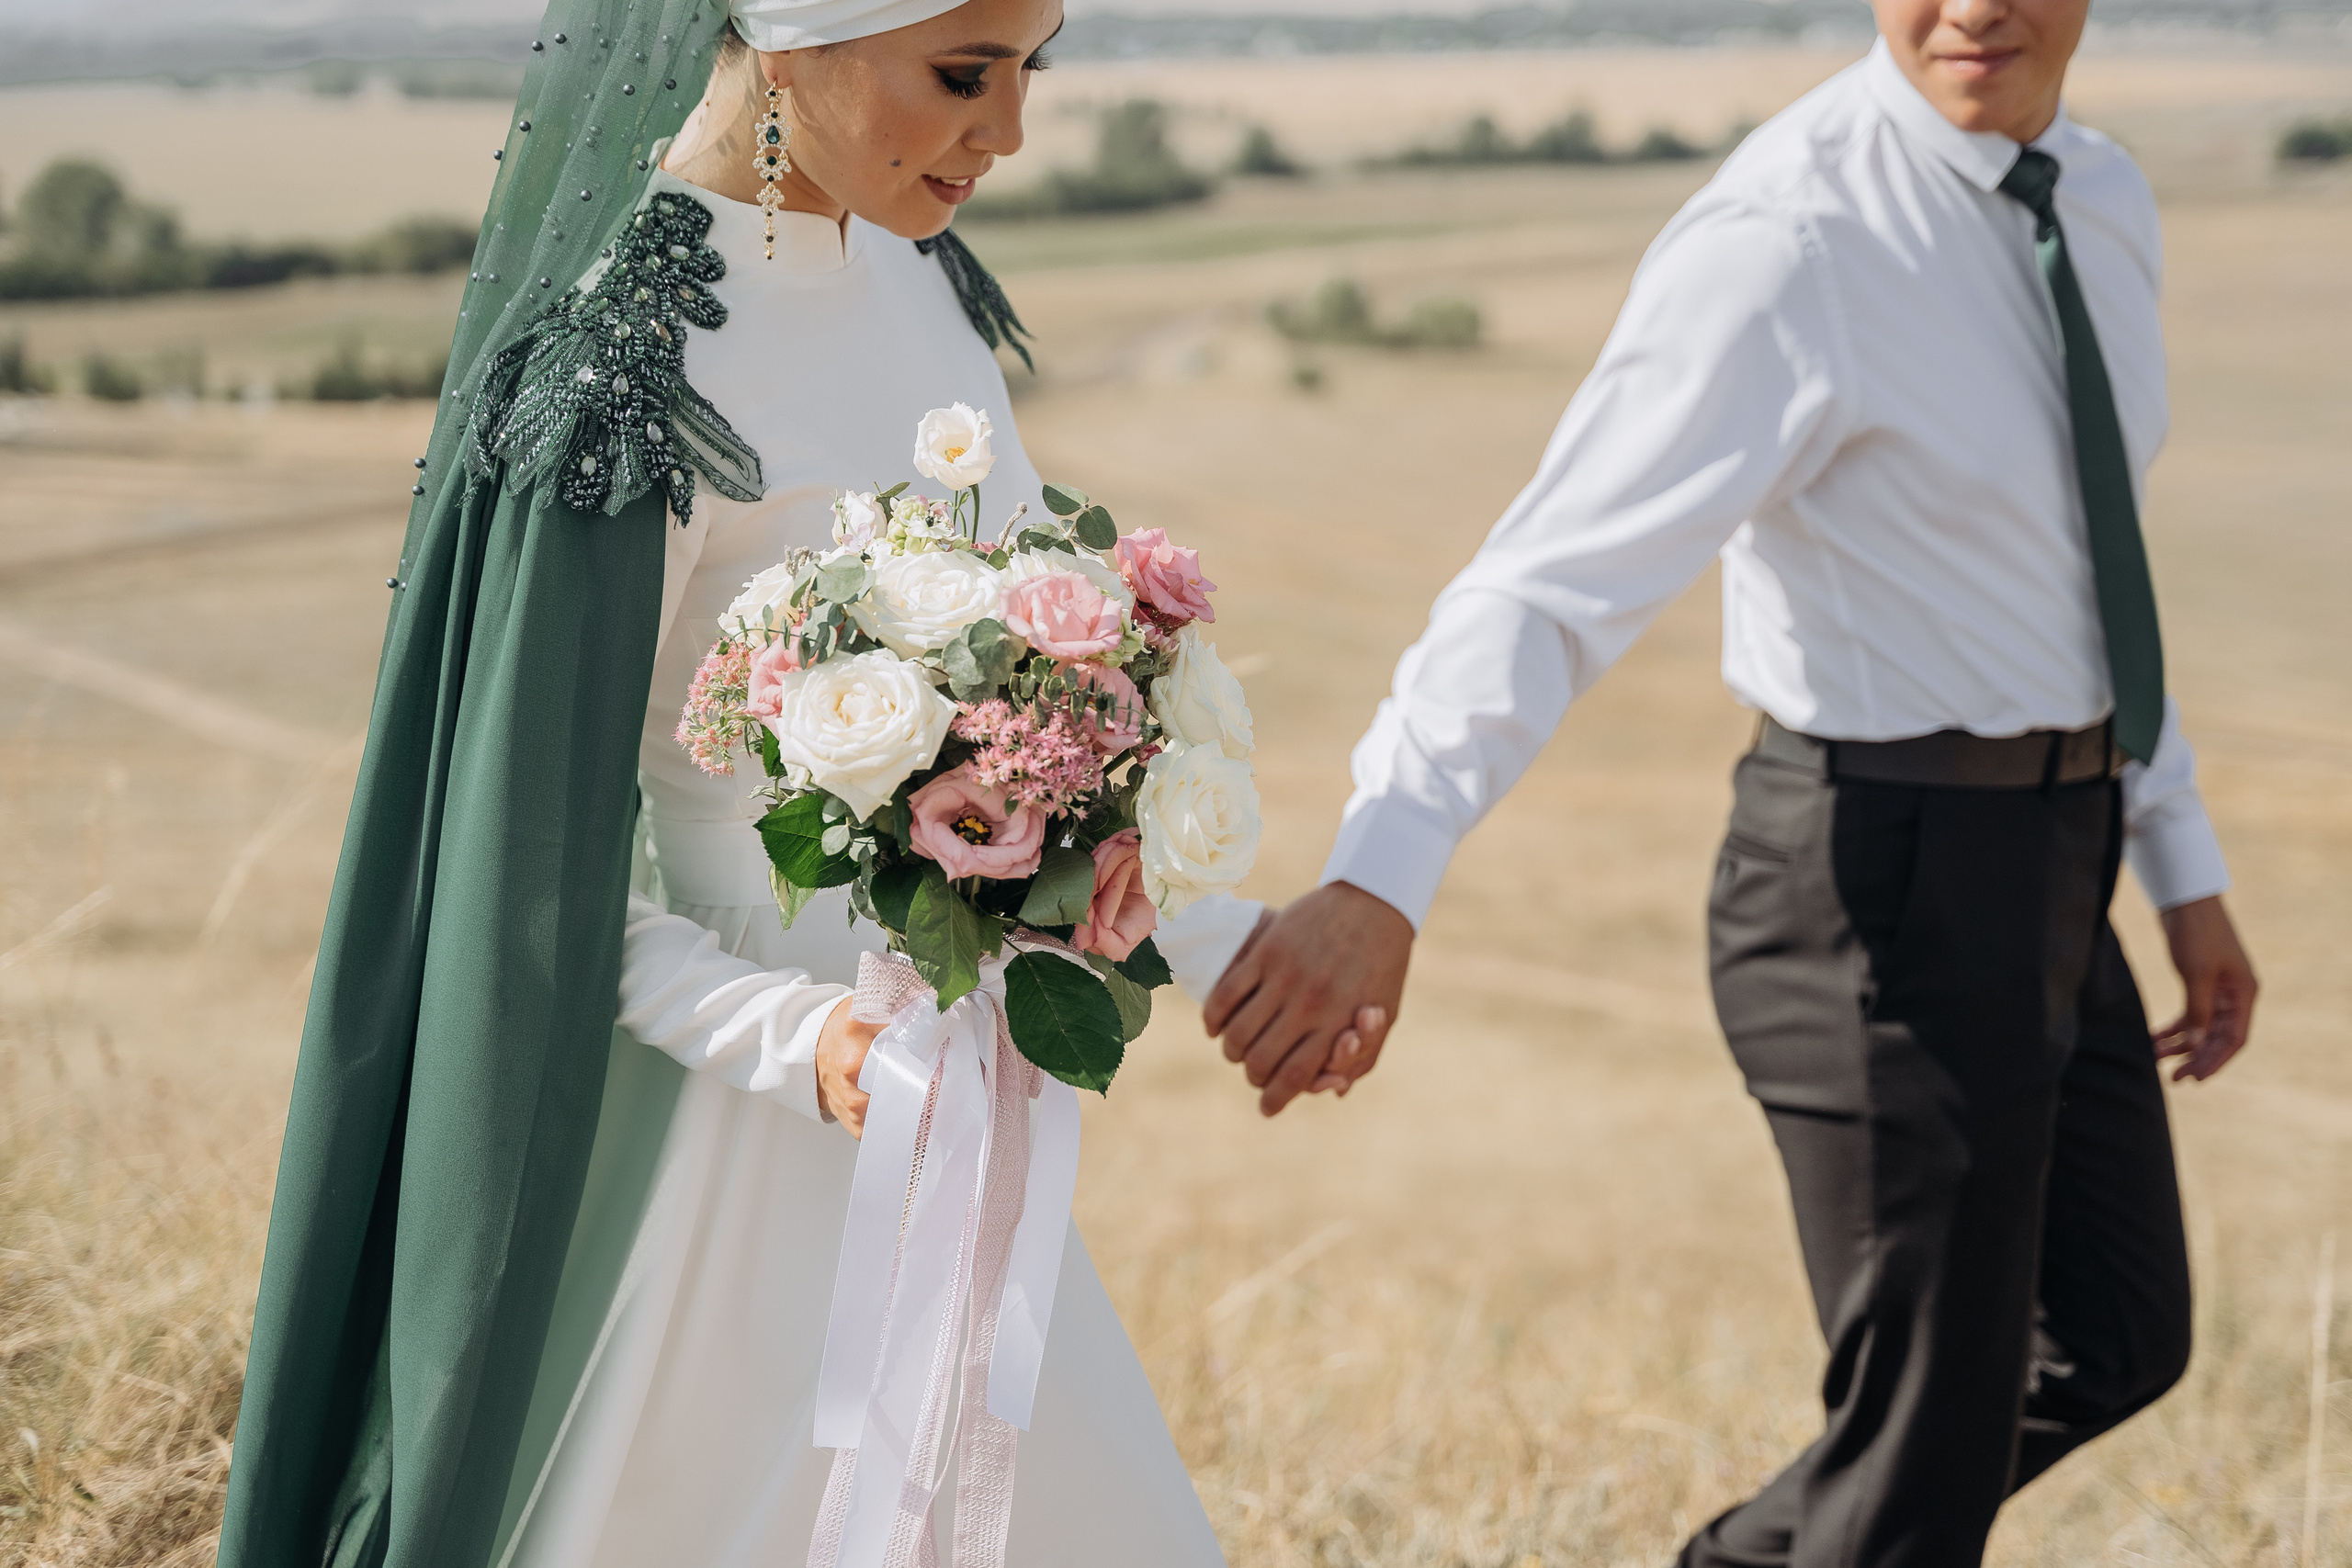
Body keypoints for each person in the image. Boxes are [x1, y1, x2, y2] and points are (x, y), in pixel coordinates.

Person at [216, 1, 1353, 1563]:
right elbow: (527, 874)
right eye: (964, 74)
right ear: (793, 40)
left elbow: (1034, 753)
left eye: (1035, 69)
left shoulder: (922, 276)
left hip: (951, 1108)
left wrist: (1227, 945)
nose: (1008, 133)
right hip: (734, 1120)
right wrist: (799, 1034)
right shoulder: (630, 365)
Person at [1208, 0, 2260, 1562]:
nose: (1972, 7)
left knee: (2117, 1335)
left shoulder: (2100, 197)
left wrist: (2180, 865)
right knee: (1922, 1456)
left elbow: (2089, 562)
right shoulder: (1791, 237)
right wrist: (1382, 863)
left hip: (2063, 850)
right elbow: (1549, 583)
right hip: (1876, 886)